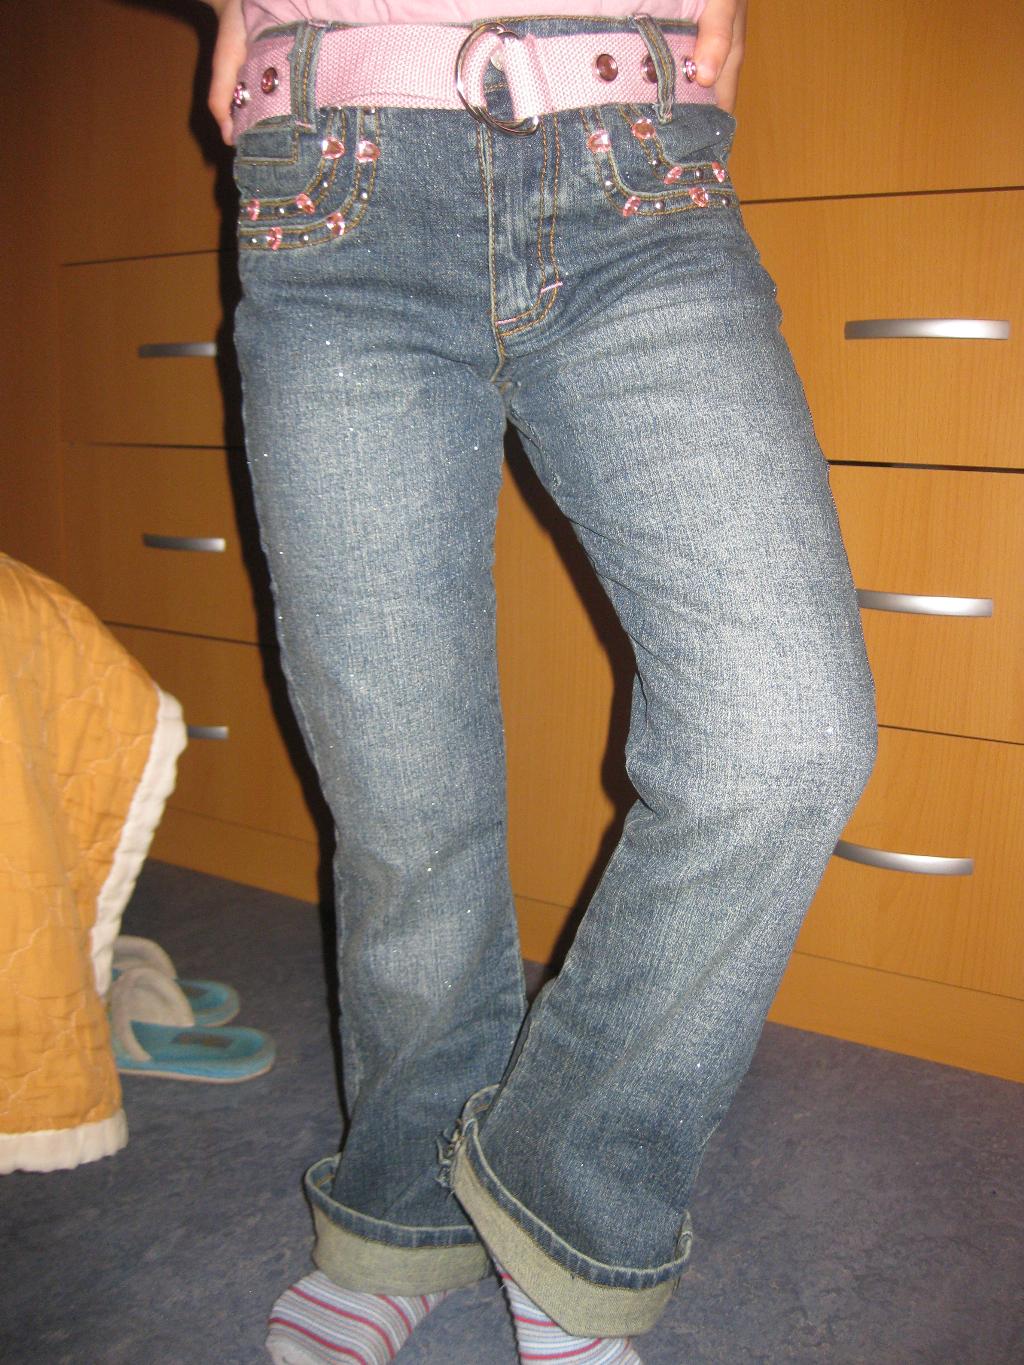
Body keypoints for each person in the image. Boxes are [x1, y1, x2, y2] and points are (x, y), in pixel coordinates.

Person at [203, 1, 878, 1360]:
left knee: (787, 735)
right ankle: (402, 1212)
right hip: (329, 186)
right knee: (404, 800)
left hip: (637, 176)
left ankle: (561, 1186)